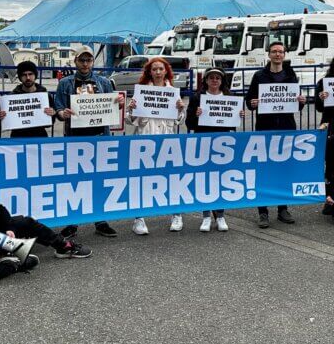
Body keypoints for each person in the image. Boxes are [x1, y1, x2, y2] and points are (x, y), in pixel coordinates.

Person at [53, 44, 124, 238]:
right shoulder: (65, 83)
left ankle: (100, 220)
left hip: (100, 138)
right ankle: (72, 222)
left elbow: (111, 109)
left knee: (99, 180)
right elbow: (58, 109)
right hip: (75, 138)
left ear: (93, 62)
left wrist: (119, 104)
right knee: (73, 182)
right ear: (75, 61)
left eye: (88, 60)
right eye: (81, 60)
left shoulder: (104, 82)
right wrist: (62, 113)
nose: (85, 64)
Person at [247, 41, 307, 228]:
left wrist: (301, 101)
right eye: (274, 52)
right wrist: (253, 103)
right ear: (269, 54)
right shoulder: (259, 76)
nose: (277, 55)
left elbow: (295, 102)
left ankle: (283, 209)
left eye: (281, 52)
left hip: (286, 128)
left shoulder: (291, 75)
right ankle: (263, 212)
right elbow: (249, 100)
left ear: (285, 54)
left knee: (284, 169)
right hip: (264, 129)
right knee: (263, 170)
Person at [125, 57, 186, 235]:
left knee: (171, 179)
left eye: (161, 69)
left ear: (166, 71)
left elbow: (179, 121)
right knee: (142, 179)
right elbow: (131, 121)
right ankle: (139, 218)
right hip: (145, 138)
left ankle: (177, 215)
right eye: (154, 69)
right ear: (149, 72)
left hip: (167, 140)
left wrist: (181, 109)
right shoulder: (142, 92)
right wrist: (131, 109)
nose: (158, 72)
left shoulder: (173, 92)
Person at [185, 66, 246, 233]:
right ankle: (206, 216)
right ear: (205, 80)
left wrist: (238, 115)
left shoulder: (229, 97)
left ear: (222, 81)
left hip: (223, 142)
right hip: (203, 141)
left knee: (221, 178)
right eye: (211, 77)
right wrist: (195, 115)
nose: (214, 80)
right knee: (205, 178)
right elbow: (189, 124)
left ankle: (220, 215)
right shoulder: (198, 97)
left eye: (217, 78)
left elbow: (233, 124)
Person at [0, 60, 55, 138]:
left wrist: (52, 114)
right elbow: (3, 122)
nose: (28, 78)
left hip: (40, 137)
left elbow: (50, 124)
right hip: (18, 138)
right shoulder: (12, 97)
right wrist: (1, 117)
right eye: (24, 75)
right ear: (20, 77)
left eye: (30, 74)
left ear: (35, 75)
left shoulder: (45, 96)